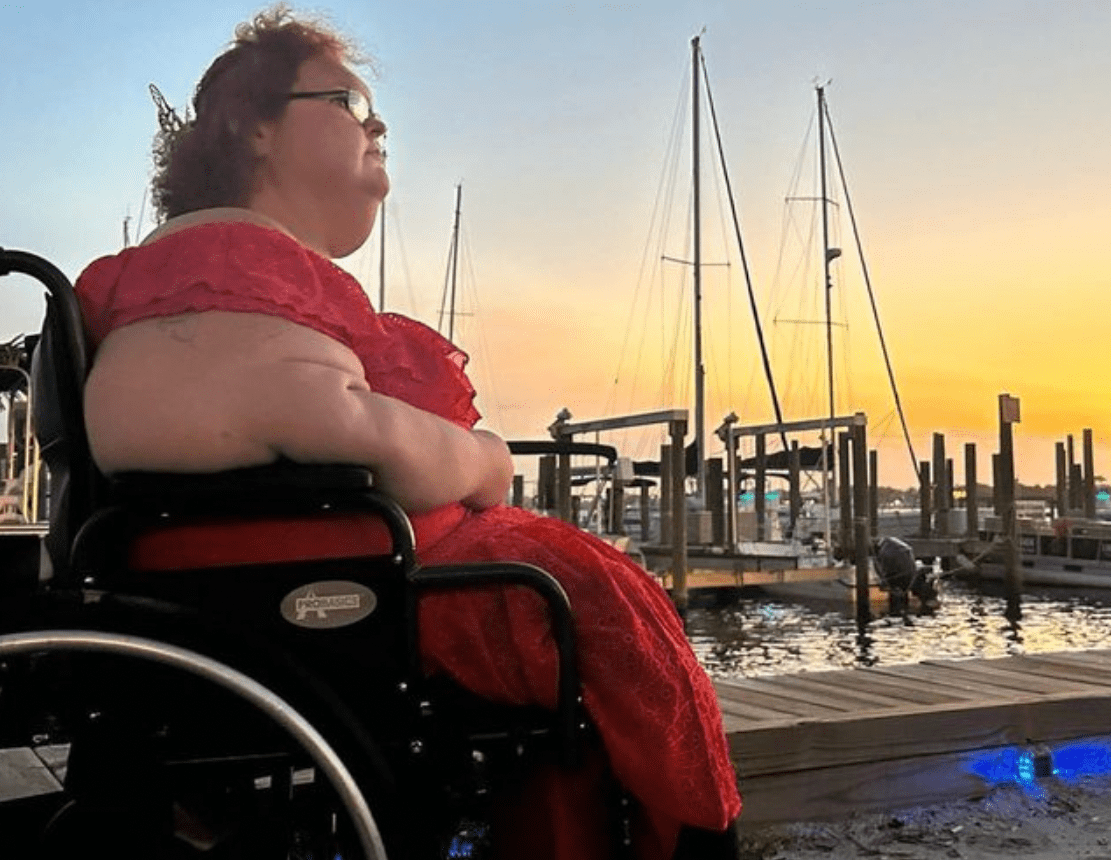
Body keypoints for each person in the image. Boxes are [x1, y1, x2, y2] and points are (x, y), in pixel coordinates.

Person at [73, 7, 741, 859]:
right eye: (350, 103)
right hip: (330, 601)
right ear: (256, 129)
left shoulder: (222, 280)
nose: (379, 122)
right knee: (586, 616)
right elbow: (329, 422)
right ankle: (681, 834)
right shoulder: (221, 267)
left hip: (308, 575)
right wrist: (481, 458)